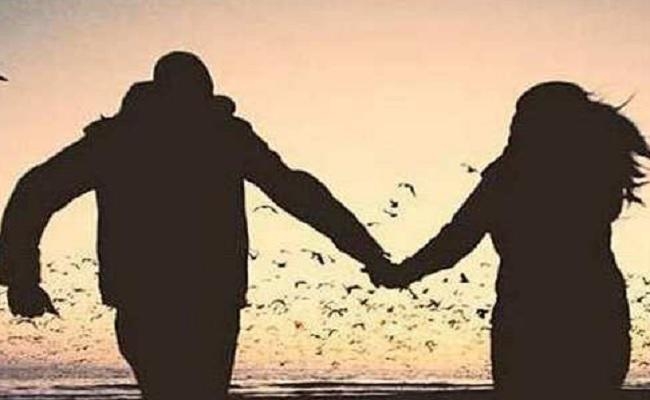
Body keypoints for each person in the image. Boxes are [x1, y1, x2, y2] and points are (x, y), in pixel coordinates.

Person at [0, 51, 390, 400]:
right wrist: (371, 257)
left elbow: (34, 192)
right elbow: (300, 194)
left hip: (155, 299)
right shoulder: (219, 136)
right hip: (203, 298)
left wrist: (22, 279)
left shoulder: (119, 140)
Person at [371, 82, 648, 400]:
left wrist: (401, 273)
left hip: (527, 314)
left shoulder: (509, 176)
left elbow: (458, 239)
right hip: (597, 310)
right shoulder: (598, 170)